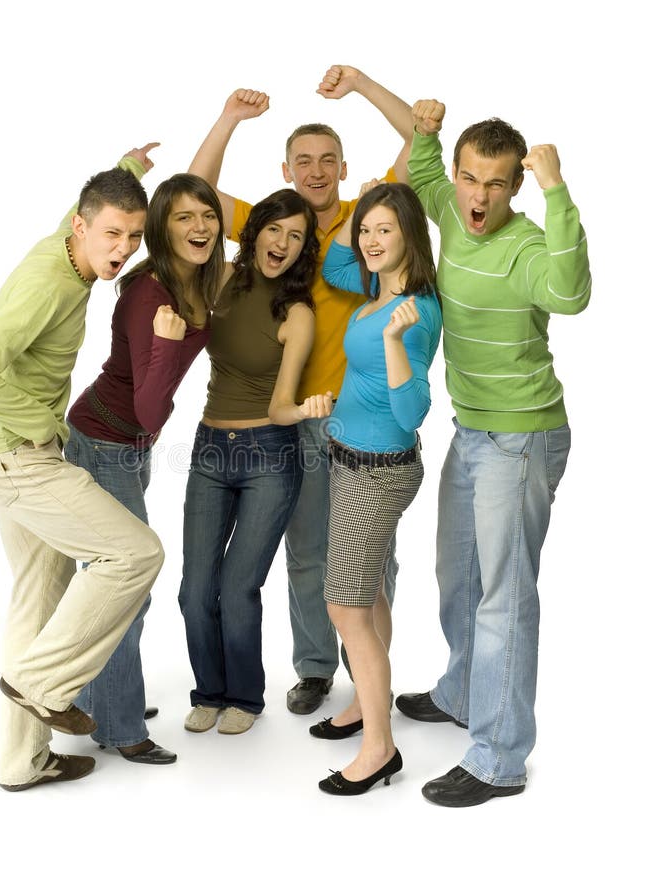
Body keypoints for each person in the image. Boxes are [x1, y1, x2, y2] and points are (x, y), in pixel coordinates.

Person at [189, 65, 415, 716]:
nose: (316, 171)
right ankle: (315, 668)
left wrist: (366, 85)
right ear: (288, 170)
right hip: (295, 418)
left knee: (373, 560)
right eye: (303, 161)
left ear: (343, 168)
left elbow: (420, 145)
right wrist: (229, 118)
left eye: (327, 161)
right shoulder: (272, 224)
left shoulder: (366, 217)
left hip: (365, 419)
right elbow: (194, 192)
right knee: (308, 549)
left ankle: (367, 668)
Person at [0, 143, 166, 792]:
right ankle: (41, 682)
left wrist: (129, 170)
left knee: (36, 606)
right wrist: (42, 425)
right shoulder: (47, 284)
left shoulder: (70, 246)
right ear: (81, 224)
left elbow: (102, 205)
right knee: (135, 555)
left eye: (132, 236)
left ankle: (23, 761)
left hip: (8, 458)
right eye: (111, 234)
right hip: (19, 460)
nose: (122, 249)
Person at [395, 99, 591, 806]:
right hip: (471, 428)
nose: (480, 196)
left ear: (515, 187)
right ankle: (460, 692)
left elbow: (571, 295)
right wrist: (423, 127)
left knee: (504, 595)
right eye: (471, 179)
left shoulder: (532, 245)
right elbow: (420, 168)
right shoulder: (449, 210)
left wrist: (558, 190)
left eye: (496, 183)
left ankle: (499, 757)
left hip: (524, 433)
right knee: (459, 574)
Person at [63, 174, 225, 766]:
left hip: (130, 448)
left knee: (112, 584)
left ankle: (100, 697)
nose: (199, 226)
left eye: (207, 215)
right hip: (104, 442)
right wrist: (163, 344)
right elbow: (149, 405)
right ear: (161, 227)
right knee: (127, 588)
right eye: (183, 217)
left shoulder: (199, 279)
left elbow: (149, 417)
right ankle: (121, 727)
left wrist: (230, 119)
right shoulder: (149, 296)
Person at [179, 188, 331, 735]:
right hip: (209, 450)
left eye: (297, 236)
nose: (283, 243)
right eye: (275, 230)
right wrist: (229, 120)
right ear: (254, 230)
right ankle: (208, 691)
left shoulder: (296, 313)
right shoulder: (221, 277)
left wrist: (309, 408)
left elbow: (280, 405)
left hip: (269, 453)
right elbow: (192, 195)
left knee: (238, 585)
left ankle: (244, 697)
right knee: (195, 587)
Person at [311, 182, 441, 795]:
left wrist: (392, 340)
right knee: (369, 592)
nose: (368, 240)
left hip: (379, 471)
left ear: (411, 234)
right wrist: (362, 207)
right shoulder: (372, 284)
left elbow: (412, 409)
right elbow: (335, 261)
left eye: (385, 229)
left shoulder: (415, 310)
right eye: (366, 229)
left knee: (345, 604)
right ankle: (370, 700)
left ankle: (379, 749)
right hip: (347, 460)